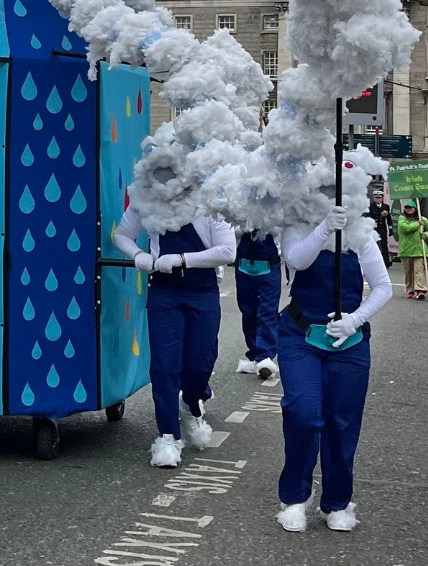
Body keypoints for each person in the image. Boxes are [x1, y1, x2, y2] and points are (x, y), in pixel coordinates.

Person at [276, 204, 392, 533]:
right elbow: (297, 259)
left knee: (342, 424)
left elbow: (383, 286)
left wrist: (355, 320)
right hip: (300, 336)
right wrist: (326, 227)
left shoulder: (361, 233)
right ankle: (295, 497)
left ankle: (338, 501)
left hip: (349, 344)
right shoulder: (295, 224)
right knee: (303, 410)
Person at [114, 207, 236, 467]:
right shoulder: (148, 198)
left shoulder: (209, 203)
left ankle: (191, 403)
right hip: (164, 291)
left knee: (201, 362)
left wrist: (181, 259)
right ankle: (168, 436)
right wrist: (138, 254)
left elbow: (227, 251)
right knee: (164, 365)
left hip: (202, 291)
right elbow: (121, 235)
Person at [234, 229, 281, 379]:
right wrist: (243, 226)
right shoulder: (239, 207)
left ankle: (265, 355)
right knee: (248, 311)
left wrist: (262, 223)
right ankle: (255, 353)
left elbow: (279, 229)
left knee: (267, 311)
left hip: (269, 265)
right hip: (244, 265)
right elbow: (228, 230)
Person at [396, 201, 427, 299]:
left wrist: (425, 235)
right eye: (407, 207)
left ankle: (420, 290)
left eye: (411, 207)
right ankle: (410, 290)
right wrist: (418, 224)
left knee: (419, 270)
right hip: (405, 250)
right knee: (408, 272)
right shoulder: (401, 219)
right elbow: (405, 228)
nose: (409, 209)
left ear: (415, 209)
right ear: (404, 209)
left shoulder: (423, 220)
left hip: (419, 250)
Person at [368, 199, 392, 268]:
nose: (378, 199)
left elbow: (389, 218)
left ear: (382, 198)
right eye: (376, 197)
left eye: (379, 197)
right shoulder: (371, 206)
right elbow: (368, 217)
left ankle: (386, 261)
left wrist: (390, 228)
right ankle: (374, 262)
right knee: (374, 245)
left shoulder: (386, 206)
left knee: (384, 245)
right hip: (374, 229)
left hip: (383, 228)